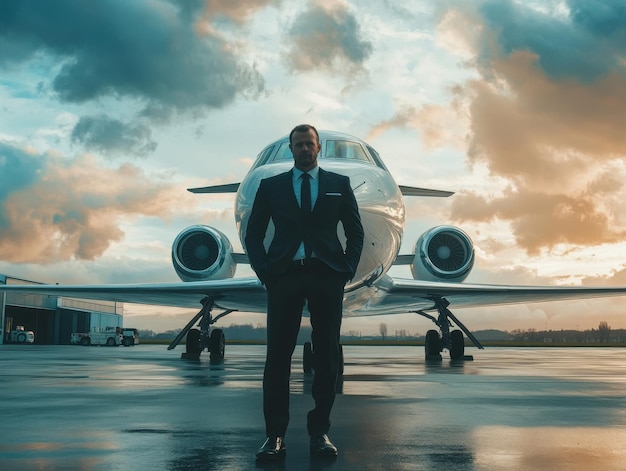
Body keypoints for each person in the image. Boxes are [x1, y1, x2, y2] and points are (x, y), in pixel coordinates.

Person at [245, 124, 364, 460]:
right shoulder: (271, 187)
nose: (304, 149)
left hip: (326, 277)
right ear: (291, 148)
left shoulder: (338, 185)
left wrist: (345, 270)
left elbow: (355, 233)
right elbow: (254, 235)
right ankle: (275, 436)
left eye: (309, 144)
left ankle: (319, 432)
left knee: (327, 358)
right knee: (277, 360)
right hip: (284, 277)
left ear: (317, 148)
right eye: (298, 144)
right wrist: (264, 270)